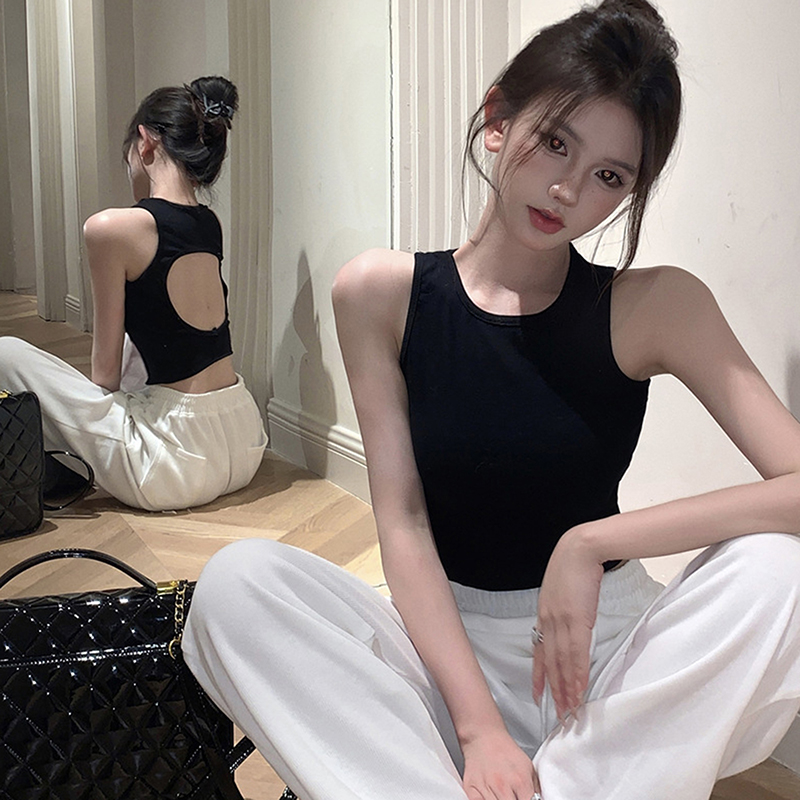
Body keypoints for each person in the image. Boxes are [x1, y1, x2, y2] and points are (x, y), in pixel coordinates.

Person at [183, 3, 800, 798]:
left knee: (782, 568)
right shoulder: (380, 294)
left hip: (605, 663)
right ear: (499, 118)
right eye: (556, 142)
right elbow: (404, 523)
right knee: (237, 586)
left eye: (610, 176)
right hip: (446, 655)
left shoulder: (656, 305)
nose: (568, 189)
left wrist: (589, 543)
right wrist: (477, 729)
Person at [0, 76, 267, 511]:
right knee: (144, 331)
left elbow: (105, 375)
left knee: (6, 353)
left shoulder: (111, 228)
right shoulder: (209, 223)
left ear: (145, 143)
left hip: (173, 467)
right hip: (244, 440)